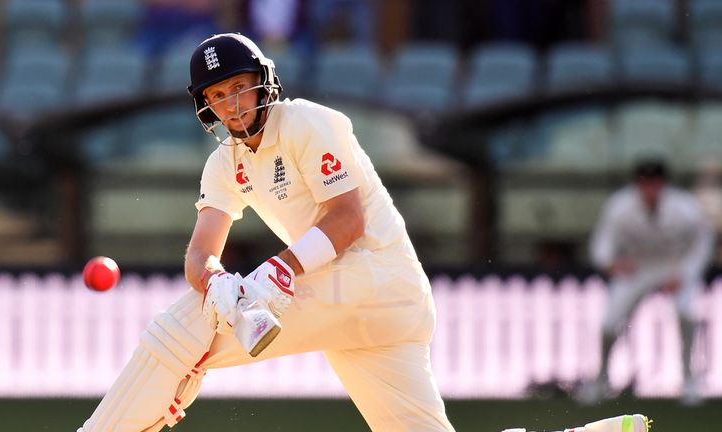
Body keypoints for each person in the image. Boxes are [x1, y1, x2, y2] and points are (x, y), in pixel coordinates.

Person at [77, 33, 454, 431]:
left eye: (239, 87)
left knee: (187, 326)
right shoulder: (225, 163)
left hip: (374, 275)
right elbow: (199, 253)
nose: (232, 105)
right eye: (218, 95)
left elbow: (347, 219)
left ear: (264, 81)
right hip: (371, 311)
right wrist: (213, 279)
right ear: (207, 106)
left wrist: (281, 269)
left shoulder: (306, 122)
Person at [577, 158, 715, 406]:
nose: (650, 188)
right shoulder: (619, 205)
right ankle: (599, 381)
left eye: (655, 183)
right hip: (636, 267)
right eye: (645, 183)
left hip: (674, 266)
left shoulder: (685, 206)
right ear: (637, 184)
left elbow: (702, 243)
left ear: (663, 183)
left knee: (688, 314)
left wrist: (685, 273)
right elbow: (603, 240)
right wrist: (610, 263)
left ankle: (690, 382)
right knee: (608, 324)